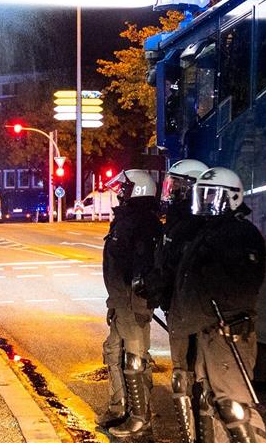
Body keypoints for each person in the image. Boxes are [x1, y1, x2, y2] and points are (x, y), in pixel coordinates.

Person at [170, 167, 266, 443]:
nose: (206, 202)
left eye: (213, 196)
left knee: (234, 407)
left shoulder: (239, 233)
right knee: (215, 402)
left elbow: (246, 281)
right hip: (207, 327)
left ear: (232, 198)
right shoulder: (208, 231)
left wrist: (229, 313)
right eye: (203, 195)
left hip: (227, 329)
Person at [138, 159, 208, 443]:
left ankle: (206, 434)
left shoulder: (202, 225)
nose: (171, 192)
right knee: (181, 376)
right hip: (176, 310)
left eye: (177, 186)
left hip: (199, 314)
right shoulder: (175, 224)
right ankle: (189, 435)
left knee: (203, 378)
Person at [98, 169, 163, 438]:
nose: (121, 192)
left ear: (137, 190)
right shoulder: (126, 219)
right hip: (120, 301)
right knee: (113, 351)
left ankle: (140, 417)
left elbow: (144, 266)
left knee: (135, 359)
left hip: (133, 303)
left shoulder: (144, 223)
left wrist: (137, 295)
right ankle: (119, 407)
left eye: (125, 188)